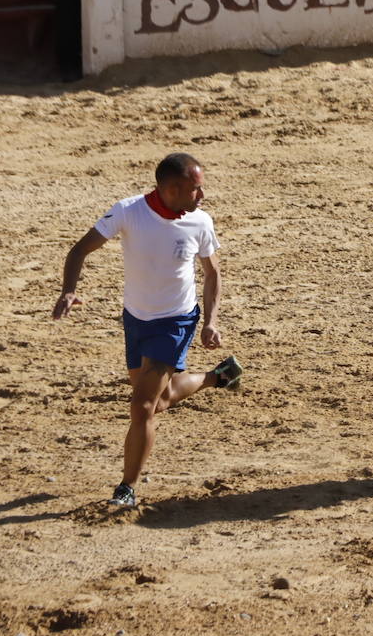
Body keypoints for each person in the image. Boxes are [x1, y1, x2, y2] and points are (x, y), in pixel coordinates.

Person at [53, 153, 243, 508]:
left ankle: (127, 487)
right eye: (196, 189)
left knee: (141, 407)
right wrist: (69, 290)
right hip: (136, 319)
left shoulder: (200, 222)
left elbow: (213, 273)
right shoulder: (128, 211)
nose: (202, 196)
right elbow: (80, 249)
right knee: (162, 399)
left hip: (175, 321)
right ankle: (219, 377)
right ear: (172, 189)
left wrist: (210, 321)